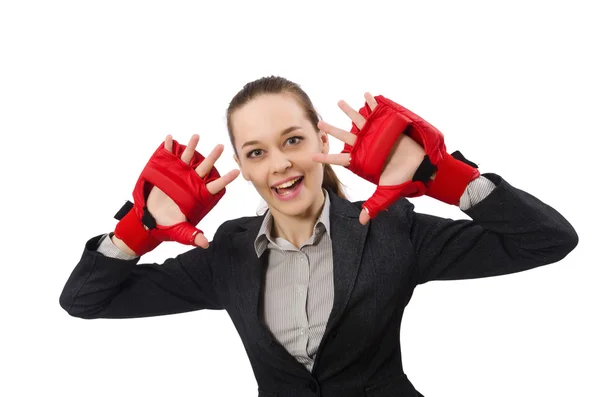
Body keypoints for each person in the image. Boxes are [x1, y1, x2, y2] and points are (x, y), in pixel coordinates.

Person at [59, 76, 579, 396]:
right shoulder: (226, 256)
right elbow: (84, 300)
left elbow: (548, 240)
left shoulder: (394, 231)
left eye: (293, 140)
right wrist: (139, 229)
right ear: (241, 165)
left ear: (321, 141)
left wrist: (444, 176)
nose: (280, 163)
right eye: (257, 152)